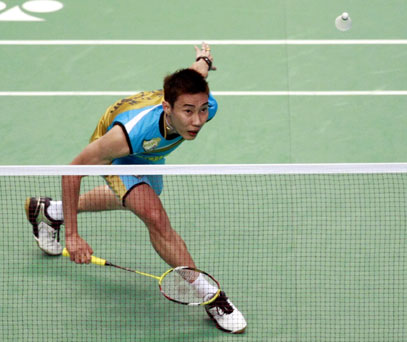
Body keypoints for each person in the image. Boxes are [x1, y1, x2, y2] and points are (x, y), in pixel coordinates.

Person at [24, 43, 247, 334]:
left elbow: (195, 78)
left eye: (203, 110)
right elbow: (72, 171)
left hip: (150, 153)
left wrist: (202, 60)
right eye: (189, 111)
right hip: (122, 149)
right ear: (168, 107)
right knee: (154, 215)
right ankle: (211, 295)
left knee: (137, 199)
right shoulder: (127, 135)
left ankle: (52, 211)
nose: (197, 120)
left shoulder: (202, 105)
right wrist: (73, 235)